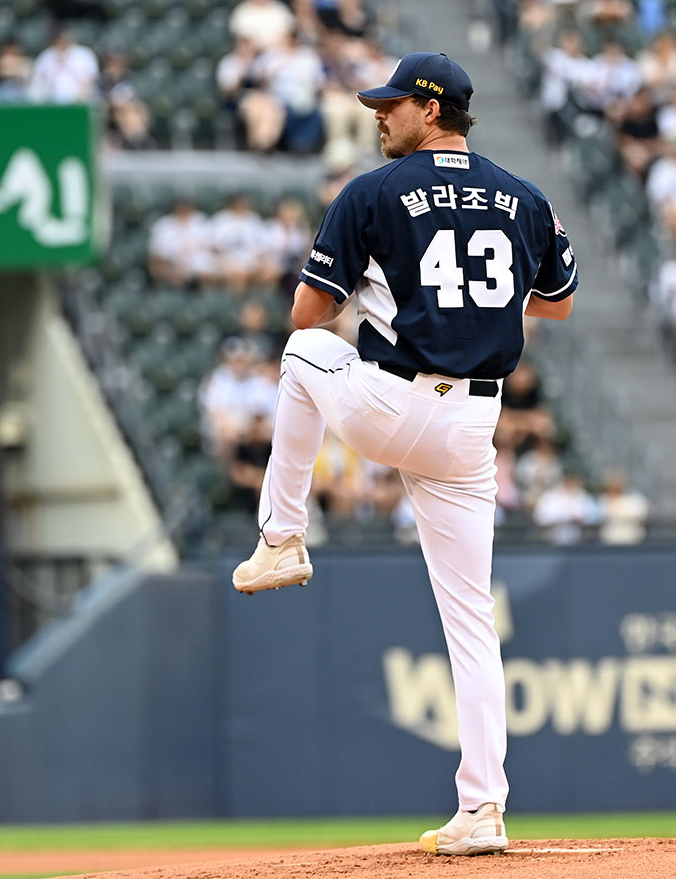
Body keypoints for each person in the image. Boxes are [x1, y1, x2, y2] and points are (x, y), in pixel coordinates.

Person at [230, 52, 577, 856]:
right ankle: (484, 807)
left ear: (431, 109)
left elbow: (308, 309)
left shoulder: (373, 190)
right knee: (472, 621)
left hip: (392, 402)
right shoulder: (524, 197)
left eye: (392, 105)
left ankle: (281, 536)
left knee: (301, 355)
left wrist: (375, 286)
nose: (379, 115)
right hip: (472, 427)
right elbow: (555, 306)